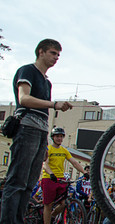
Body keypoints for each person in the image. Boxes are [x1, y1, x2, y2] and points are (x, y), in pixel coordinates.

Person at [0, 39, 73, 224]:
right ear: (40, 52)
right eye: (53, 53)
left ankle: (18, 219)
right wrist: (54, 104)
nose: (56, 58)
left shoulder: (47, 82)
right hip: (27, 127)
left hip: (41, 132)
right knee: (17, 181)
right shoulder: (27, 70)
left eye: (58, 55)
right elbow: (24, 98)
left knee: (29, 184)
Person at [41, 127, 88, 224]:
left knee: (63, 203)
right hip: (49, 178)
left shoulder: (64, 150)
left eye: (61, 137)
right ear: (53, 137)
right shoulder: (48, 149)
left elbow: (74, 162)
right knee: (48, 205)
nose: (59, 139)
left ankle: (51, 217)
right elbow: (45, 163)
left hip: (60, 179)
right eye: (57, 136)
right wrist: (51, 174)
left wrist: (84, 172)